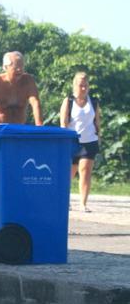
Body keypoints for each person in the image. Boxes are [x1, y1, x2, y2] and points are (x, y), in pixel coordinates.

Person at [0, 51, 43, 173]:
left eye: (21, 66)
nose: (19, 70)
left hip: (17, 126)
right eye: (15, 67)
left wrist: (39, 125)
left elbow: (35, 102)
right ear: (6, 67)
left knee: (20, 155)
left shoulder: (28, 81)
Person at [60, 72, 101, 212]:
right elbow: (63, 123)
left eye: (85, 85)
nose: (83, 88)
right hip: (72, 142)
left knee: (85, 171)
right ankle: (65, 201)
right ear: (74, 85)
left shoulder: (93, 102)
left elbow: (97, 122)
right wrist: (64, 141)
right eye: (80, 85)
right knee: (69, 174)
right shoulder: (68, 101)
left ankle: (83, 203)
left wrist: (99, 138)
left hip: (89, 141)